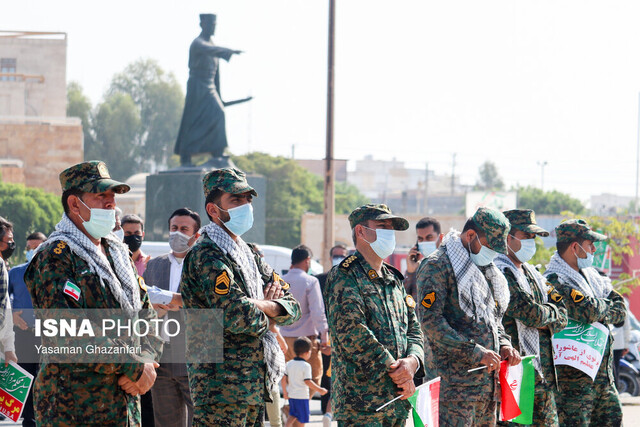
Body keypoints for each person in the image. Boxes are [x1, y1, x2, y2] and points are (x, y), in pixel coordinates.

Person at [24, 161, 163, 425]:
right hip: (73, 408)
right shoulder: (55, 257)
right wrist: (133, 366)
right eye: (101, 196)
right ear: (75, 204)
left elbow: (147, 314)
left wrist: (147, 360)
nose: (111, 203)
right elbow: (66, 332)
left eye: (113, 196)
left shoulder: (118, 253)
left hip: (123, 404)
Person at [180, 167, 301, 425]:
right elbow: (235, 315)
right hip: (219, 386)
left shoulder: (249, 254)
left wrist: (261, 304)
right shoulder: (207, 255)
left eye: (248, 199)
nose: (245, 205)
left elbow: (293, 305)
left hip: (252, 385)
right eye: (236, 200)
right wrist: (270, 319)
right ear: (213, 210)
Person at [416, 207, 520, 426]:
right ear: (471, 235)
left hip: (485, 390)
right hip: (452, 391)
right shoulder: (438, 266)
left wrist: (503, 344)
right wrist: (474, 351)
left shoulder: (485, 269)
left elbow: (493, 320)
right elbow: (430, 323)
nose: (492, 253)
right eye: (490, 245)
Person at [324, 203, 425, 426]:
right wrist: (398, 372)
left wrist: (412, 361)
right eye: (382, 227)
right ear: (360, 231)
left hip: (397, 401)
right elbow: (352, 331)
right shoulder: (345, 276)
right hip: (361, 406)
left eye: (391, 228)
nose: (389, 233)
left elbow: (414, 330)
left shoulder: (394, 279)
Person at [544, 219, 626, 426]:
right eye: (590, 245)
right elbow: (587, 311)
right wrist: (604, 308)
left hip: (604, 380)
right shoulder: (555, 280)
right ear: (575, 247)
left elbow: (621, 308)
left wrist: (600, 309)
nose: (594, 249)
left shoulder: (595, 278)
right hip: (574, 386)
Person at [494, 209, 568, 426]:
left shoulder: (533, 275)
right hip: (516, 374)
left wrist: (546, 316)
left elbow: (562, 312)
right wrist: (547, 317)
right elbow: (530, 313)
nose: (531, 242)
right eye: (526, 236)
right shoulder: (499, 273)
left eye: (533, 237)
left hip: (543, 376)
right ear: (508, 238)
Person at [144, 207, 201, 427]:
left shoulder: (204, 265)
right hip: (162, 357)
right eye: (174, 228)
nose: (177, 233)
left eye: (184, 229)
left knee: (202, 419)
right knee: (166, 421)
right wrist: (155, 309)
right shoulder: (154, 265)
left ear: (196, 235)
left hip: (194, 356)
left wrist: (180, 302)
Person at [174, 14, 245, 165]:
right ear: (202, 24)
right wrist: (229, 51)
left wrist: (220, 96)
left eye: (215, 24)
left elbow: (216, 75)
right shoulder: (198, 43)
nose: (214, 27)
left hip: (209, 85)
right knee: (192, 121)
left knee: (217, 113)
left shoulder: (212, 44)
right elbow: (211, 50)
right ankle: (186, 155)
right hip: (197, 85)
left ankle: (217, 152)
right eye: (211, 24)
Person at [9, 231, 46, 427]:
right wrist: (13, 315)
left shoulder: (54, 272)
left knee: (46, 377)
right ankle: (29, 421)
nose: (33, 251)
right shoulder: (15, 272)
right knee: (26, 377)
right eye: (30, 248)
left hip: (48, 334)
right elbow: (3, 301)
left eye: (38, 248)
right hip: (24, 334)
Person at [281, 245, 329, 397]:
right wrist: (324, 334)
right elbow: (317, 311)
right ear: (308, 260)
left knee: (290, 378)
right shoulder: (311, 281)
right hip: (307, 339)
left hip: (284, 339)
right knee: (314, 377)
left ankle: (291, 409)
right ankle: (297, 411)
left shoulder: (281, 281)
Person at [282, 337, 328, 427]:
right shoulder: (306, 366)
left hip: (292, 395)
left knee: (293, 414)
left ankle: (286, 426)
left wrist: (285, 392)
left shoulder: (289, 364)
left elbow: (283, 379)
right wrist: (320, 389)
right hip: (302, 396)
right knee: (303, 417)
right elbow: (307, 381)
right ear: (307, 352)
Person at [405, 217, 444, 302]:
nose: (424, 242)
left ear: (440, 238)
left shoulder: (450, 265)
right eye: (420, 239)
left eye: (429, 237)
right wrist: (410, 272)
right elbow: (404, 298)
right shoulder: (419, 268)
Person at [612, 298, 631, 390]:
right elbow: (626, 325)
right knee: (615, 369)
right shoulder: (621, 300)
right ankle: (615, 393)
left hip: (602, 341)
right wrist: (626, 344)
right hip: (618, 343)